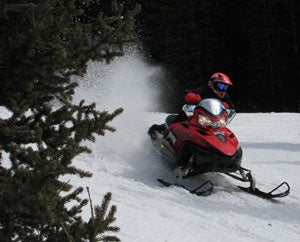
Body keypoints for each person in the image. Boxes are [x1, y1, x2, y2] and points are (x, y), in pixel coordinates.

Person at [148, 72, 234, 136]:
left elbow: (231, 106)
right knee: (182, 117)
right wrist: (194, 98)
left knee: (224, 131)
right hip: (199, 118)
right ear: (213, 84)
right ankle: (166, 132)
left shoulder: (225, 96)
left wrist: (225, 105)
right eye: (221, 86)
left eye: (225, 87)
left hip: (215, 121)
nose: (223, 89)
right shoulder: (204, 90)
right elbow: (189, 93)